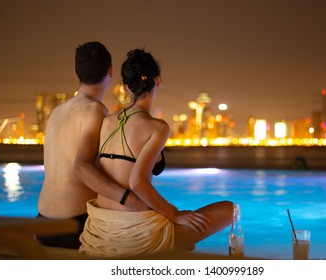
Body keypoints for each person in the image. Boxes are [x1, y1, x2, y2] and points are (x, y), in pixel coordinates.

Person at [79, 49, 233, 258]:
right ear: (157, 80)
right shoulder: (157, 127)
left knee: (179, 233)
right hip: (133, 235)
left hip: (98, 230)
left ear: (125, 86)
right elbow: (137, 182)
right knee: (230, 210)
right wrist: (174, 214)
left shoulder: (106, 122)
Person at [37, 42, 147, 249]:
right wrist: (129, 200)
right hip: (75, 226)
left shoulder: (56, 112)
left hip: (42, 222)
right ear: (110, 72)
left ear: (76, 74)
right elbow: (81, 167)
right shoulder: (94, 110)